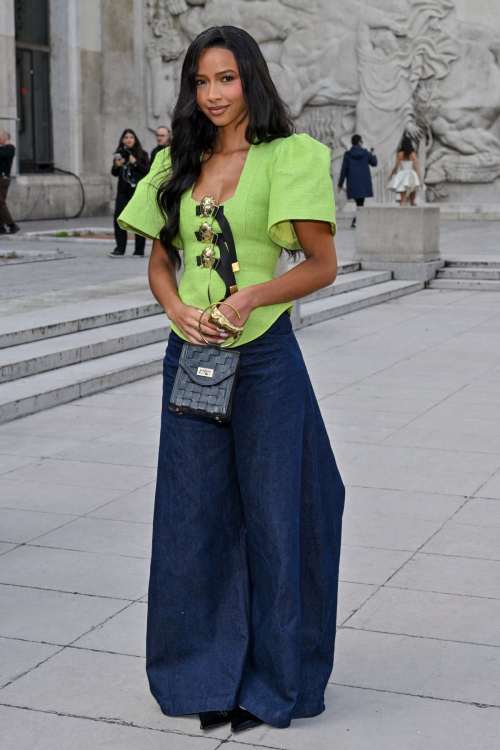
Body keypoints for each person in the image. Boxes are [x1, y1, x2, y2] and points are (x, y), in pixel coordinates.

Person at [118, 25, 345, 733]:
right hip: (189, 357)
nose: (213, 94)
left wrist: (250, 298)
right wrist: (176, 306)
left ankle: (277, 680)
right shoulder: (173, 161)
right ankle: (201, 674)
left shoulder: (291, 156)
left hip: (267, 360)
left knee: (281, 516)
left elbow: (320, 264)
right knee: (194, 520)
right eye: (201, 81)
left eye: (227, 78)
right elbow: (160, 259)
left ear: (252, 79)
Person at [108, 129, 150, 257]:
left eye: (131, 137)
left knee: (138, 220)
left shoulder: (142, 154)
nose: (129, 139)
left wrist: (136, 163)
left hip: (137, 191)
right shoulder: (120, 155)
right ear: (123, 140)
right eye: (126, 137)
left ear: (135, 139)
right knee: (118, 218)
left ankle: (139, 250)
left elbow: (147, 170)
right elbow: (114, 173)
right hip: (123, 191)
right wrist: (116, 165)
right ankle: (120, 249)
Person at [338, 134, 377, 228]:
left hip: (353, 182)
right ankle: (357, 220)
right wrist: (374, 155)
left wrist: (340, 184)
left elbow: (344, 169)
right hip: (364, 182)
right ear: (359, 142)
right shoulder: (365, 153)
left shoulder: (347, 154)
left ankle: (357, 220)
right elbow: (374, 163)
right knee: (360, 203)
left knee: (359, 203)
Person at [387, 135, 423, 206]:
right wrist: (420, 179)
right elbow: (416, 167)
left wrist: (391, 175)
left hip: (402, 176)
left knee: (403, 199)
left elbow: (396, 167)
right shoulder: (413, 154)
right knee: (412, 201)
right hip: (412, 176)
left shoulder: (400, 154)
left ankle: (401, 216)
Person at [0, 131, 20, 235]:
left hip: (2, 178)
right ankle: (1, 227)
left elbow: (1, 155)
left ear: (4, 138)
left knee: (0, 202)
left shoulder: (9, 148)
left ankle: (12, 225)